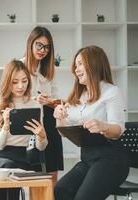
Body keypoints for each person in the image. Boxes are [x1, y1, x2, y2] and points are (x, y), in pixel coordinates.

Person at [53, 46, 129, 200]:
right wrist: (59, 117)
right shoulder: (78, 96)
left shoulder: (112, 92)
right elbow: (64, 130)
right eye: (76, 65)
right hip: (88, 160)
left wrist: (103, 126)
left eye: (80, 64)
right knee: (60, 189)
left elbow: (118, 130)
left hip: (111, 160)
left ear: (94, 64)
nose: (76, 69)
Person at [0, 59, 48, 200]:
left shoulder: (35, 104)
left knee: (8, 169)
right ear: (7, 82)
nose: (20, 86)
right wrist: (6, 126)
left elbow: (41, 147)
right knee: (5, 168)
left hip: (20, 157)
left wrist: (42, 136)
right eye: (15, 82)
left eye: (24, 81)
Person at [21, 26, 63, 183]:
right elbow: (10, 98)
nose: (43, 50)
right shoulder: (19, 65)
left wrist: (50, 101)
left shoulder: (49, 69)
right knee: (34, 174)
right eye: (39, 45)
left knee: (51, 172)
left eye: (46, 47)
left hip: (49, 120)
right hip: (28, 119)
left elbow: (58, 101)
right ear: (31, 43)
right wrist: (34, 99)